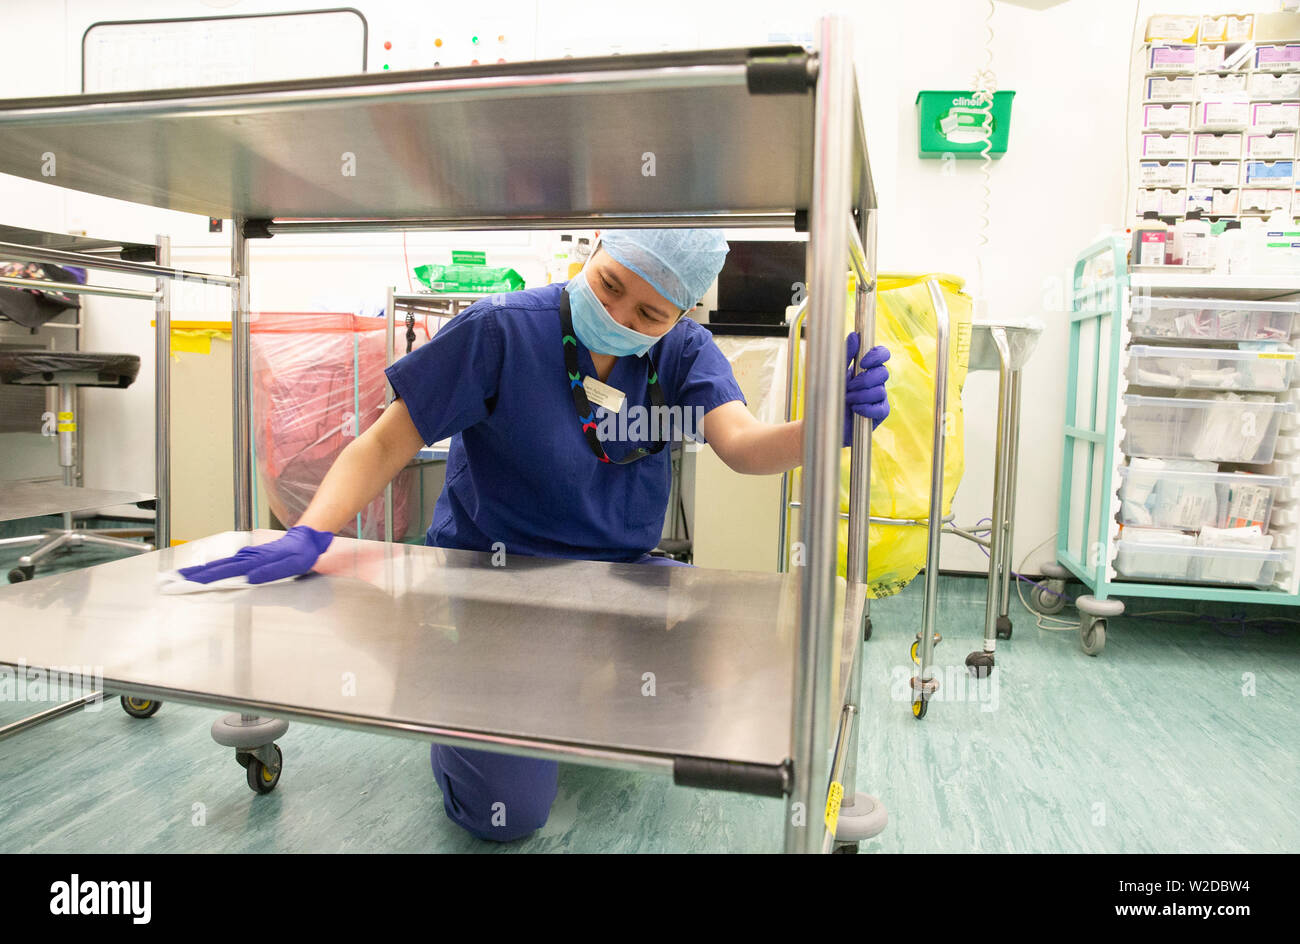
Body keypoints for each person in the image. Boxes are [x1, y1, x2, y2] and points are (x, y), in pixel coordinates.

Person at [177, 229, 890, 841]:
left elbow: (742, 445)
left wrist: (828, 424)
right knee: (507, 816)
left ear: (681, 314)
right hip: (492, 579)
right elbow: (385, 445)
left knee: (685, 711)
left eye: (648, 311)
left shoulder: (681, 353)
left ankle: (565, 701)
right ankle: (450, 706)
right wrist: (312, 534)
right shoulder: (501, 330)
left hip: (619, 583)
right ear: (595, 252)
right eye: (609, 286)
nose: (618, 314)